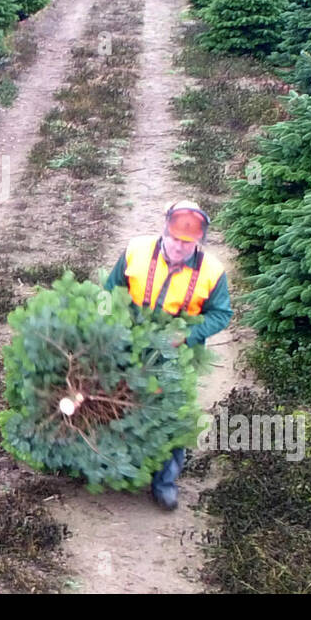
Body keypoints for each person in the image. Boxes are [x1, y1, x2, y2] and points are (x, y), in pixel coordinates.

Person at [103, 200, 232, 509]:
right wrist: (111, 329)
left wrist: (186, 335)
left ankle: (164, 482)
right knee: (119, 402)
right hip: (130, 344)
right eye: (174, 239)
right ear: (164, 232)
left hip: (178, 356)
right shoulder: (136, 252)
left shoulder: (212, 272)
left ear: (198, 242)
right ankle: (116, 466)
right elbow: (109, 291)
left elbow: (221, 315)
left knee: (172, 416)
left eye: (187, 243)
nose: (178, 247)